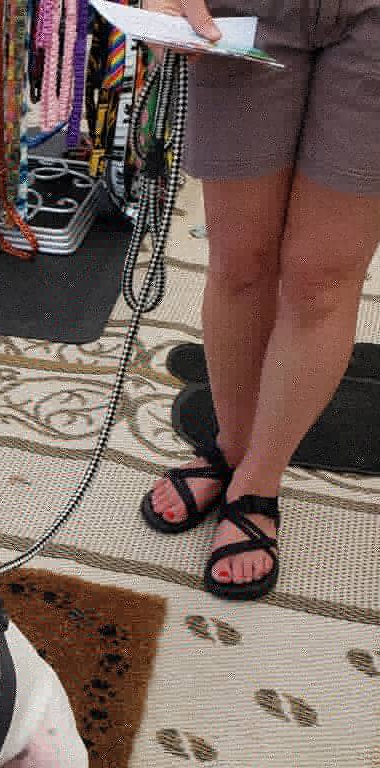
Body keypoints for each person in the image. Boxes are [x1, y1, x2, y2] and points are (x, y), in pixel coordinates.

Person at [137, 0, 380, 600]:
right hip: (242, 12)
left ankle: (258, 481)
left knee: (320, 278)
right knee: (239, 263)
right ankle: (230, 446)